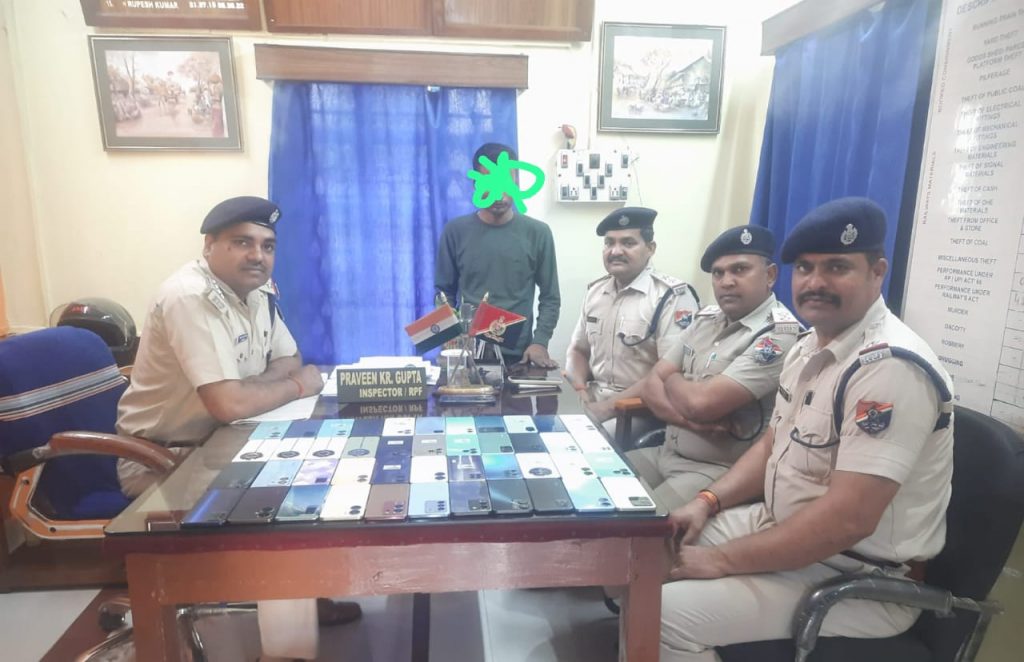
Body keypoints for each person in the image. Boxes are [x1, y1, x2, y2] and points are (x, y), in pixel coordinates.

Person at [659, 197, 955, 661]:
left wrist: (720, 560)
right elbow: (773, 443)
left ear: (877, 272)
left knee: (662, 614)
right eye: (805, 268)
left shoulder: (889, 368)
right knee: (645, 552)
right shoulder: (809, 348)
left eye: (837, 267)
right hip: (781, 530)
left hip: (860, 576)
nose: (815, 282)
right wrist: (706, 502)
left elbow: (847, 521)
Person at [115, 196, 356, 660]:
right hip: (166, 458)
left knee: (321, 470)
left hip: (227, 441)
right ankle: (287, 650)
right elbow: (231, 403)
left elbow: (289, 359)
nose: (257, 255)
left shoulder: (257, 292)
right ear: (209, 246)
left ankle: (302, 593)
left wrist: (254, 388)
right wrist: (290, 387)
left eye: (267, 245)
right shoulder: (190, 297)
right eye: (242, 242)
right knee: (280, 505)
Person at [630, 225, 800, 510]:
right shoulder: (706, 320)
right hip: (665, 453)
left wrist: (671, 378)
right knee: (598, 488)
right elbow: (651, 384)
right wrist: (688, 421)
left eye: (740, 270)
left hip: (717, 471)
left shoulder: (777, 335)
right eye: (718, 273)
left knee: (638, 525)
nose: (726, 282)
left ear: (770, 275)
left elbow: (701, 404)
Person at [565, 207, 699, 429]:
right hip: (593, 402)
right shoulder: (595, 292)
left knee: (583, 441)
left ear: (650, 248)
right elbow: (578, 350)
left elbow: (669, 373)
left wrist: (607, 408)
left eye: (628, 243)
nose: (615, 251)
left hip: (641, 410)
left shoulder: (671, 297)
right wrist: (580, 390)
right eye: (609, 243)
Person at [435, 142, 560, 367]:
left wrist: (540, 342)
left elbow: (550, 297)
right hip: (468, 355)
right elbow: (444, 293)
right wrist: (448, 336)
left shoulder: (538, 233)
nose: (499, 195)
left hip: (519, 357)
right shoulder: (455, 231)